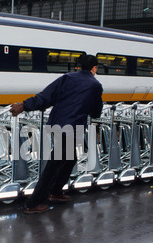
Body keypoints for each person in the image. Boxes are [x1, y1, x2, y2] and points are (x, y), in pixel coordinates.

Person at [10, 54, 103, 214]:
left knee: (69, 159)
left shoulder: (67, 78)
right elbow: (96, 112)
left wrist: (25, 105)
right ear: (94, 68)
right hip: (71, 128)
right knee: (53, 166)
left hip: (56, 124)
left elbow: (46, 96)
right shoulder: (95, 86)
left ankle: (55, 191)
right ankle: (33, 203)